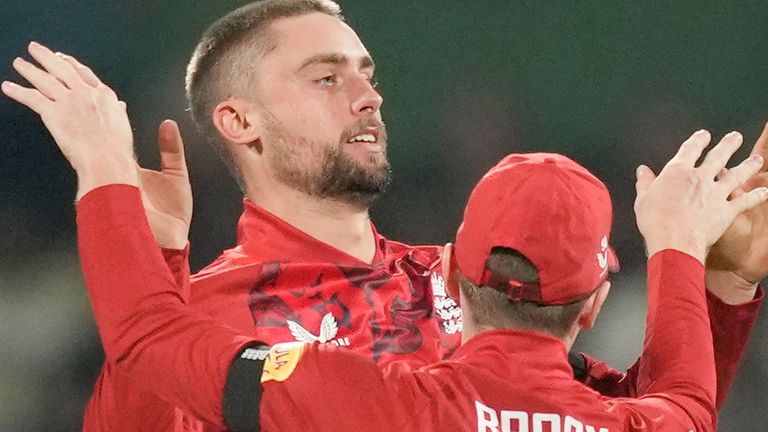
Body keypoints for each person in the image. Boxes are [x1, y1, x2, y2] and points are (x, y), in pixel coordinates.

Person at [3, 2, 767, 428]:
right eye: (325, 77)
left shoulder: (472, 275)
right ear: (240, 123)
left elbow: (627, 414)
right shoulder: (210, 308)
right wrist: (160, 256)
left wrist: (728, 287)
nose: (367, 95)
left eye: (367, 73)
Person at [73, 136, 768, 431]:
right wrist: (703, 265)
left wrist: (106, 169)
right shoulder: (637, 421)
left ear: (455, 275)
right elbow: (683, 399)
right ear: (595, 306)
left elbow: (146, 337)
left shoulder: (364, 404)